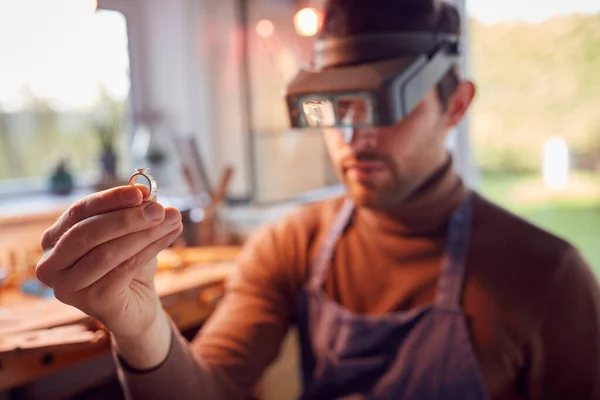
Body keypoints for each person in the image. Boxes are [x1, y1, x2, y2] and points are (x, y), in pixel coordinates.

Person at [36, 0, 600, 399]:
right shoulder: (293, 244)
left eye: (386, 104)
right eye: (338, 106)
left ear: (455, 107)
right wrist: (139, 327)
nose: (354, 136)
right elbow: (212, 389)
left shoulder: (546, 278)